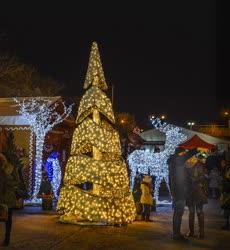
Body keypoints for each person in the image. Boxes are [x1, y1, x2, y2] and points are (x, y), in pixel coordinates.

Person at [167, 147, 198, 241]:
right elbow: (187, 156)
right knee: (178, 213)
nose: (185, 156)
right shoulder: (177, 159)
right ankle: (176, 235)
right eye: (183, 153)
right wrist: (195, 149)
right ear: (180, 153)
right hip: (179, 191)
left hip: (177, 191)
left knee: (178, 213)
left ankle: (176, 233)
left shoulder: (174, 161)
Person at [185, 154, 208, 239]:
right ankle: (198, 233)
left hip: (194, 191)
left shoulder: (190, 164)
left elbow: (201, 177)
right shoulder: (198, 164)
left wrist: (194, 179)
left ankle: (194, 232)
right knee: (196, 212)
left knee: (195, 212)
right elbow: (202, 177)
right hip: (196, 191)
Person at [0, 153, 18, 246]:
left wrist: (10, 184)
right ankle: (6, 238)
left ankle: (7, 238)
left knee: (7, 218)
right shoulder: (4, 171)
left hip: (8, 198)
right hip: (4, 197)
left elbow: (17, 181)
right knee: (5, 218)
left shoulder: (10, 169)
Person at [220, 160, 230, 230]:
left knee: (227, 209)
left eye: (223, 163)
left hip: (227, 193)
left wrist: (224, 191)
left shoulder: (228, 170)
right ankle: (226, 224)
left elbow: (227, 181)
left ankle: (226, 224)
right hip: (226, 192)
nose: (221, 164)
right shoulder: (226, 170)